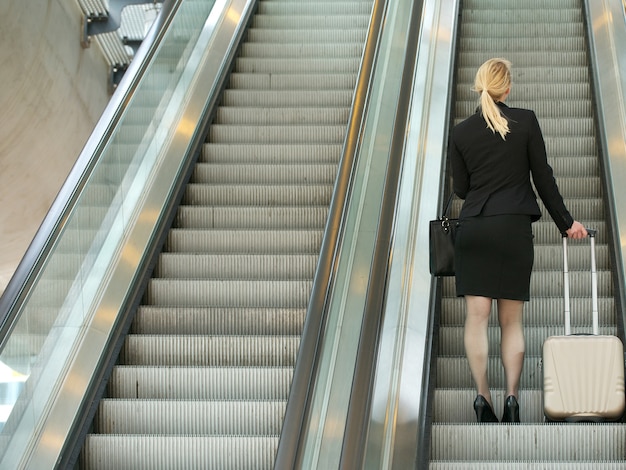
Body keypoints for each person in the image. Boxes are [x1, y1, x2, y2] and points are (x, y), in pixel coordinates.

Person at [448, 58, 588, 423]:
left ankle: (483, 398)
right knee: (512, 322)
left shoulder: (461, 133)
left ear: (479, 87)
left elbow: (460, 189)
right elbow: (543, 178)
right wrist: (567, 223)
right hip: (513, 229)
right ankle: (512, 398)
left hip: (476, 227)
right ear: (507, 88)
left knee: (476, 319)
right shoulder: (525, 121)